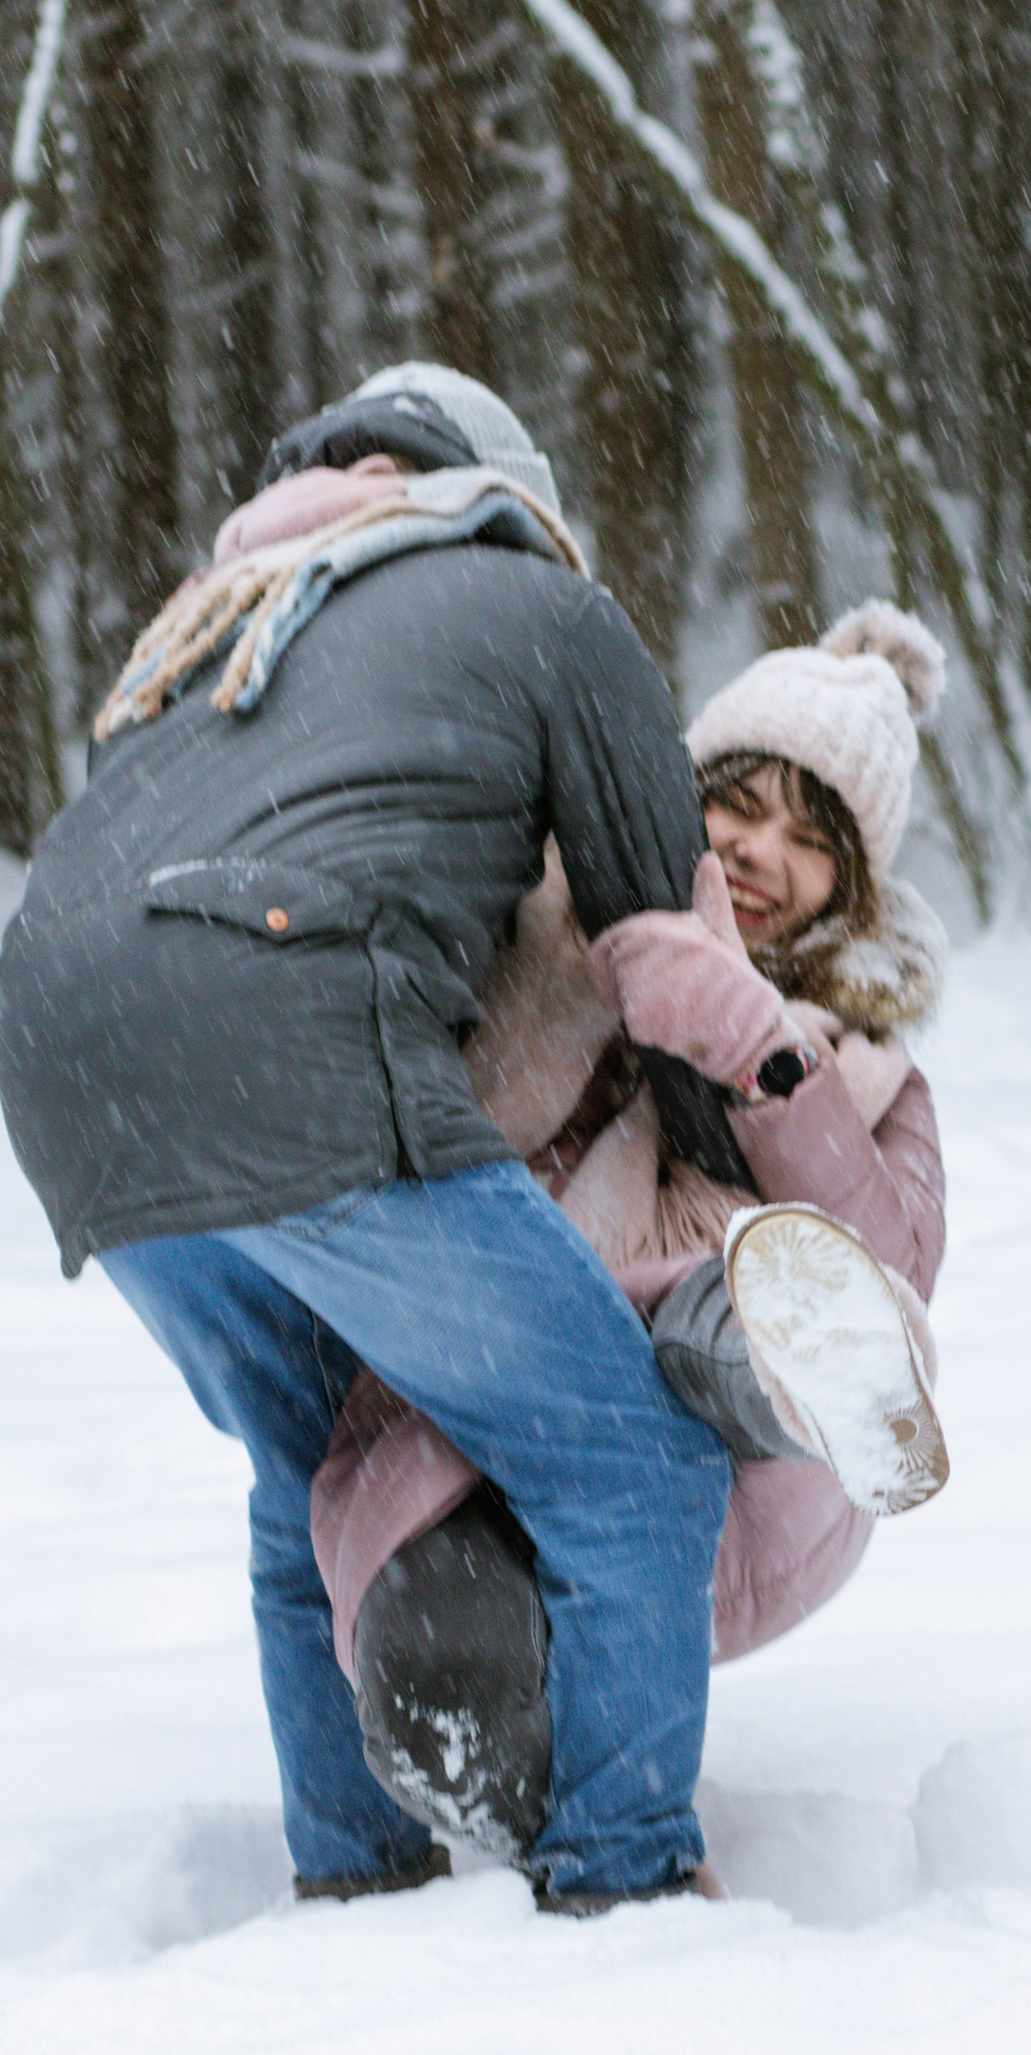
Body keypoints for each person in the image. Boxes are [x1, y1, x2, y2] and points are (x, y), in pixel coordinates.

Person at [0, 360, 754, 1915]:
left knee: (307, 1455)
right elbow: (654, 935)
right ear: (514, 501)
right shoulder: (544, 609)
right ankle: (628, 1887)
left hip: (60, 1066)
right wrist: (723, 1175)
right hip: (290, 1033)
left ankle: (356, 1886)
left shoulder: (214, 625)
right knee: (632, 1459)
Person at [310, 606, 952, 1864]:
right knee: (439, 1647)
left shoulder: (862, 1058)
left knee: (757, 1313)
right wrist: (592, 984)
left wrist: (755, 1051)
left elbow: (897, 1262)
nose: (761, 853)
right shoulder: (540, 936)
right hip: (484, 1405)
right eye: (737, 803)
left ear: (854, 888)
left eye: (811, 842)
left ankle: (760, 1354)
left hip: (729, 1476)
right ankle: (556, 1831)